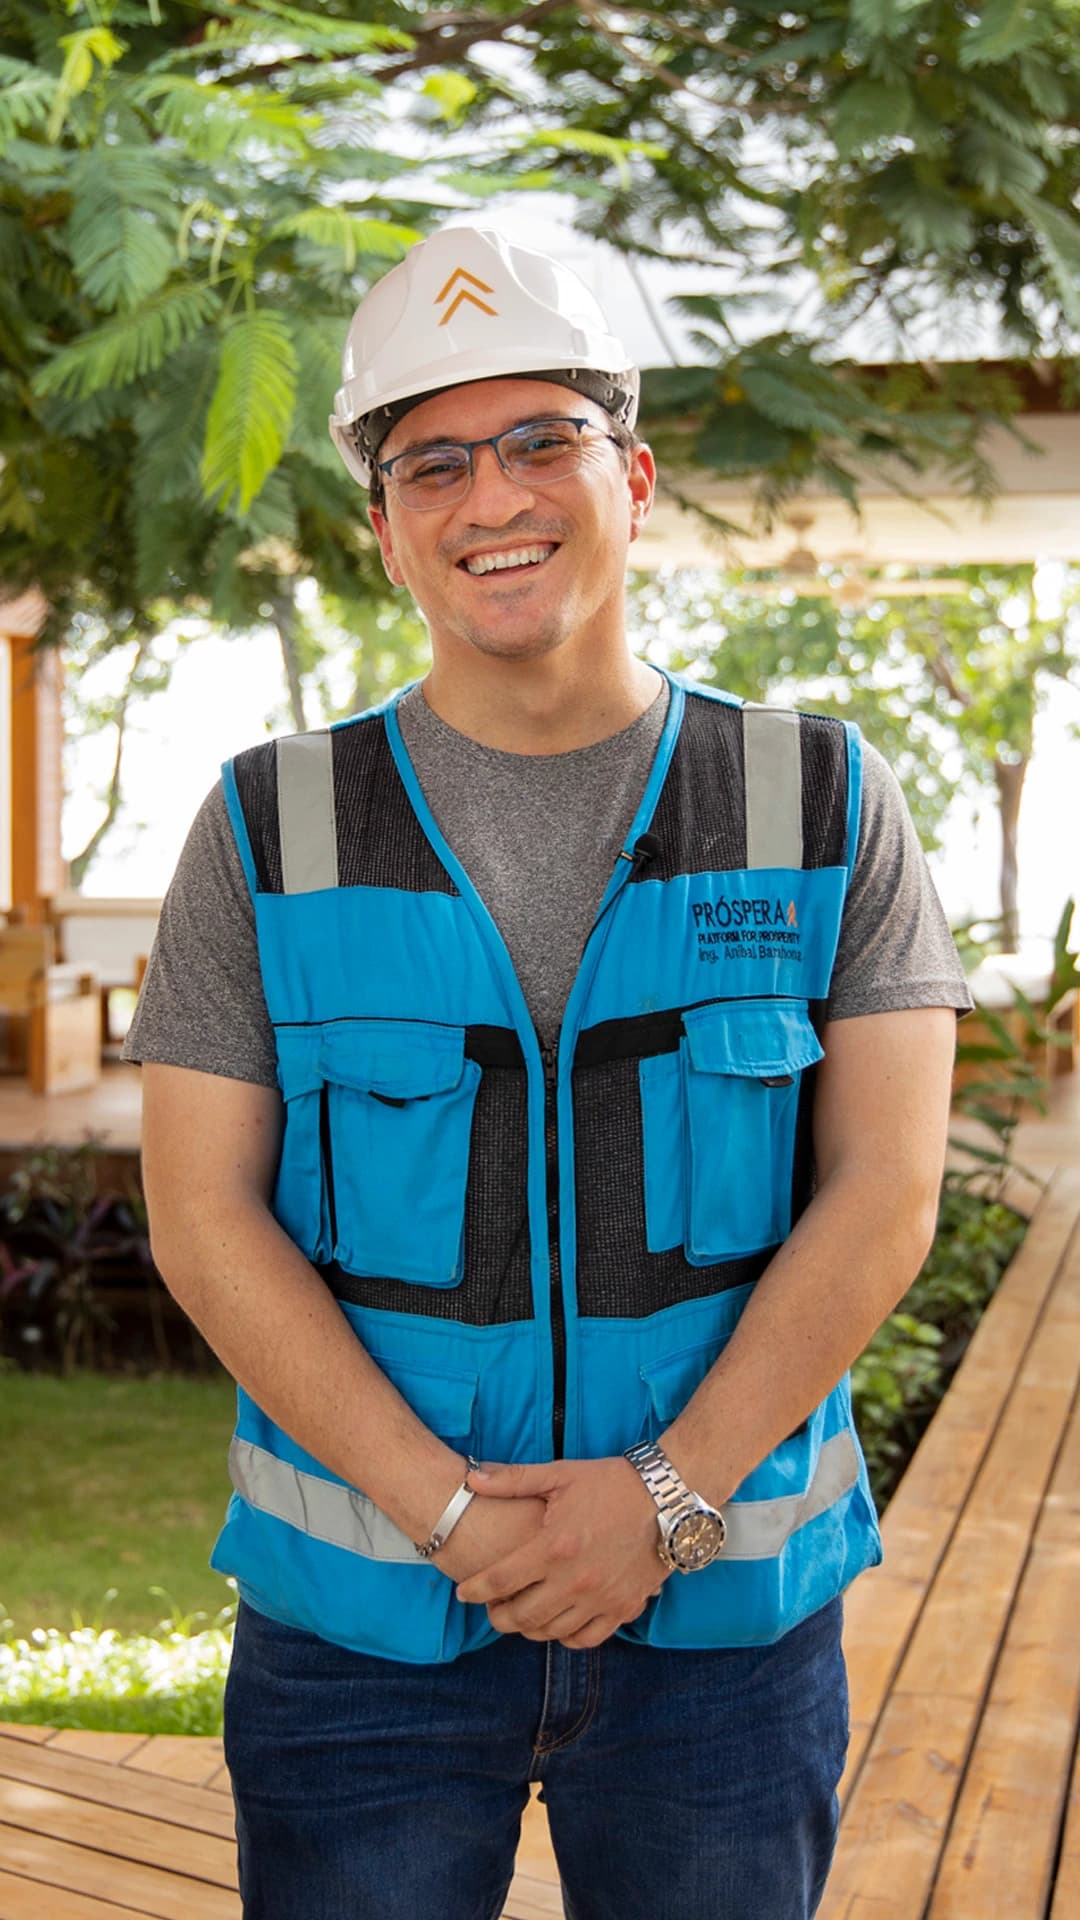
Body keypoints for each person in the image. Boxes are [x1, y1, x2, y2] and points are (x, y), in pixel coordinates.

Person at [125, 225, 973, 1920]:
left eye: (541, 439)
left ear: (634, 479)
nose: (491, 496)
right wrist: (455, 1519)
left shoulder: (818, 800)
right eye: (433, 462)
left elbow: (887, 1191)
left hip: (723, 1644)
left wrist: (662, 1503)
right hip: (363, 1647)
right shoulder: (268, 829)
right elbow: (203, 1221)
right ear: (386, 532)